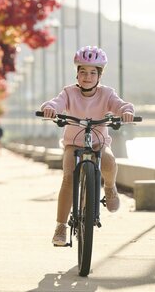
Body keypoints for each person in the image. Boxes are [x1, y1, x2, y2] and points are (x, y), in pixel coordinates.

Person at [40, 46, 134, 246]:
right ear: (77, 73)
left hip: (99, 142)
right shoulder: (69, 92)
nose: (87, 76)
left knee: (109, 161)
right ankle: (61, 226)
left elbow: (120, 105)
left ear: (99, 75)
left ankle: (110, 188)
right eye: (83, 72)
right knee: (68, 178)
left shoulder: (107, 93)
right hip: (73, 144)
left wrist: (126, 111)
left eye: (93, 72)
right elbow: (56, 103)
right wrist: (49, 109)